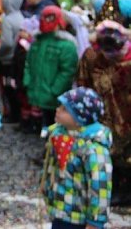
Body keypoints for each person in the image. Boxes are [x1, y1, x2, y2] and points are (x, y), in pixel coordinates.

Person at [77, 0, 131, 205]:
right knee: (108, 152)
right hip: (104, 114)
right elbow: (83, 82)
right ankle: (114, 186)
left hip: (127, 113)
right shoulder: (91, 56)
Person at [41, 87, 112, 229]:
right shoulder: (61, 133)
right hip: (61, 210)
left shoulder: (93, 149)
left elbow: (101, 186)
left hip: (79, 218)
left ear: (80, 119)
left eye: (64, 109)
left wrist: (95, 222)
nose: (57, 110)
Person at [23, 7, 79, 136]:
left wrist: (55, 89)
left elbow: (67, 71)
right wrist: (28, 80)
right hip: (39, 90)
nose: (46, 22)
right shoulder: (38, 41)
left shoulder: (66, 45)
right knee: (47, 119)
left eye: (50, 18)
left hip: (54, 94)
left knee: (58, 121)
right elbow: (29, 63)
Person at [0, 0, 25, 124]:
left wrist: (0, 53)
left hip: (7, 59)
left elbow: (7, 42)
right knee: (15, 87)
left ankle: (13, 114)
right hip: (17, 59)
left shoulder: (7, 20)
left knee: (8, 88)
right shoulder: (21, 16)